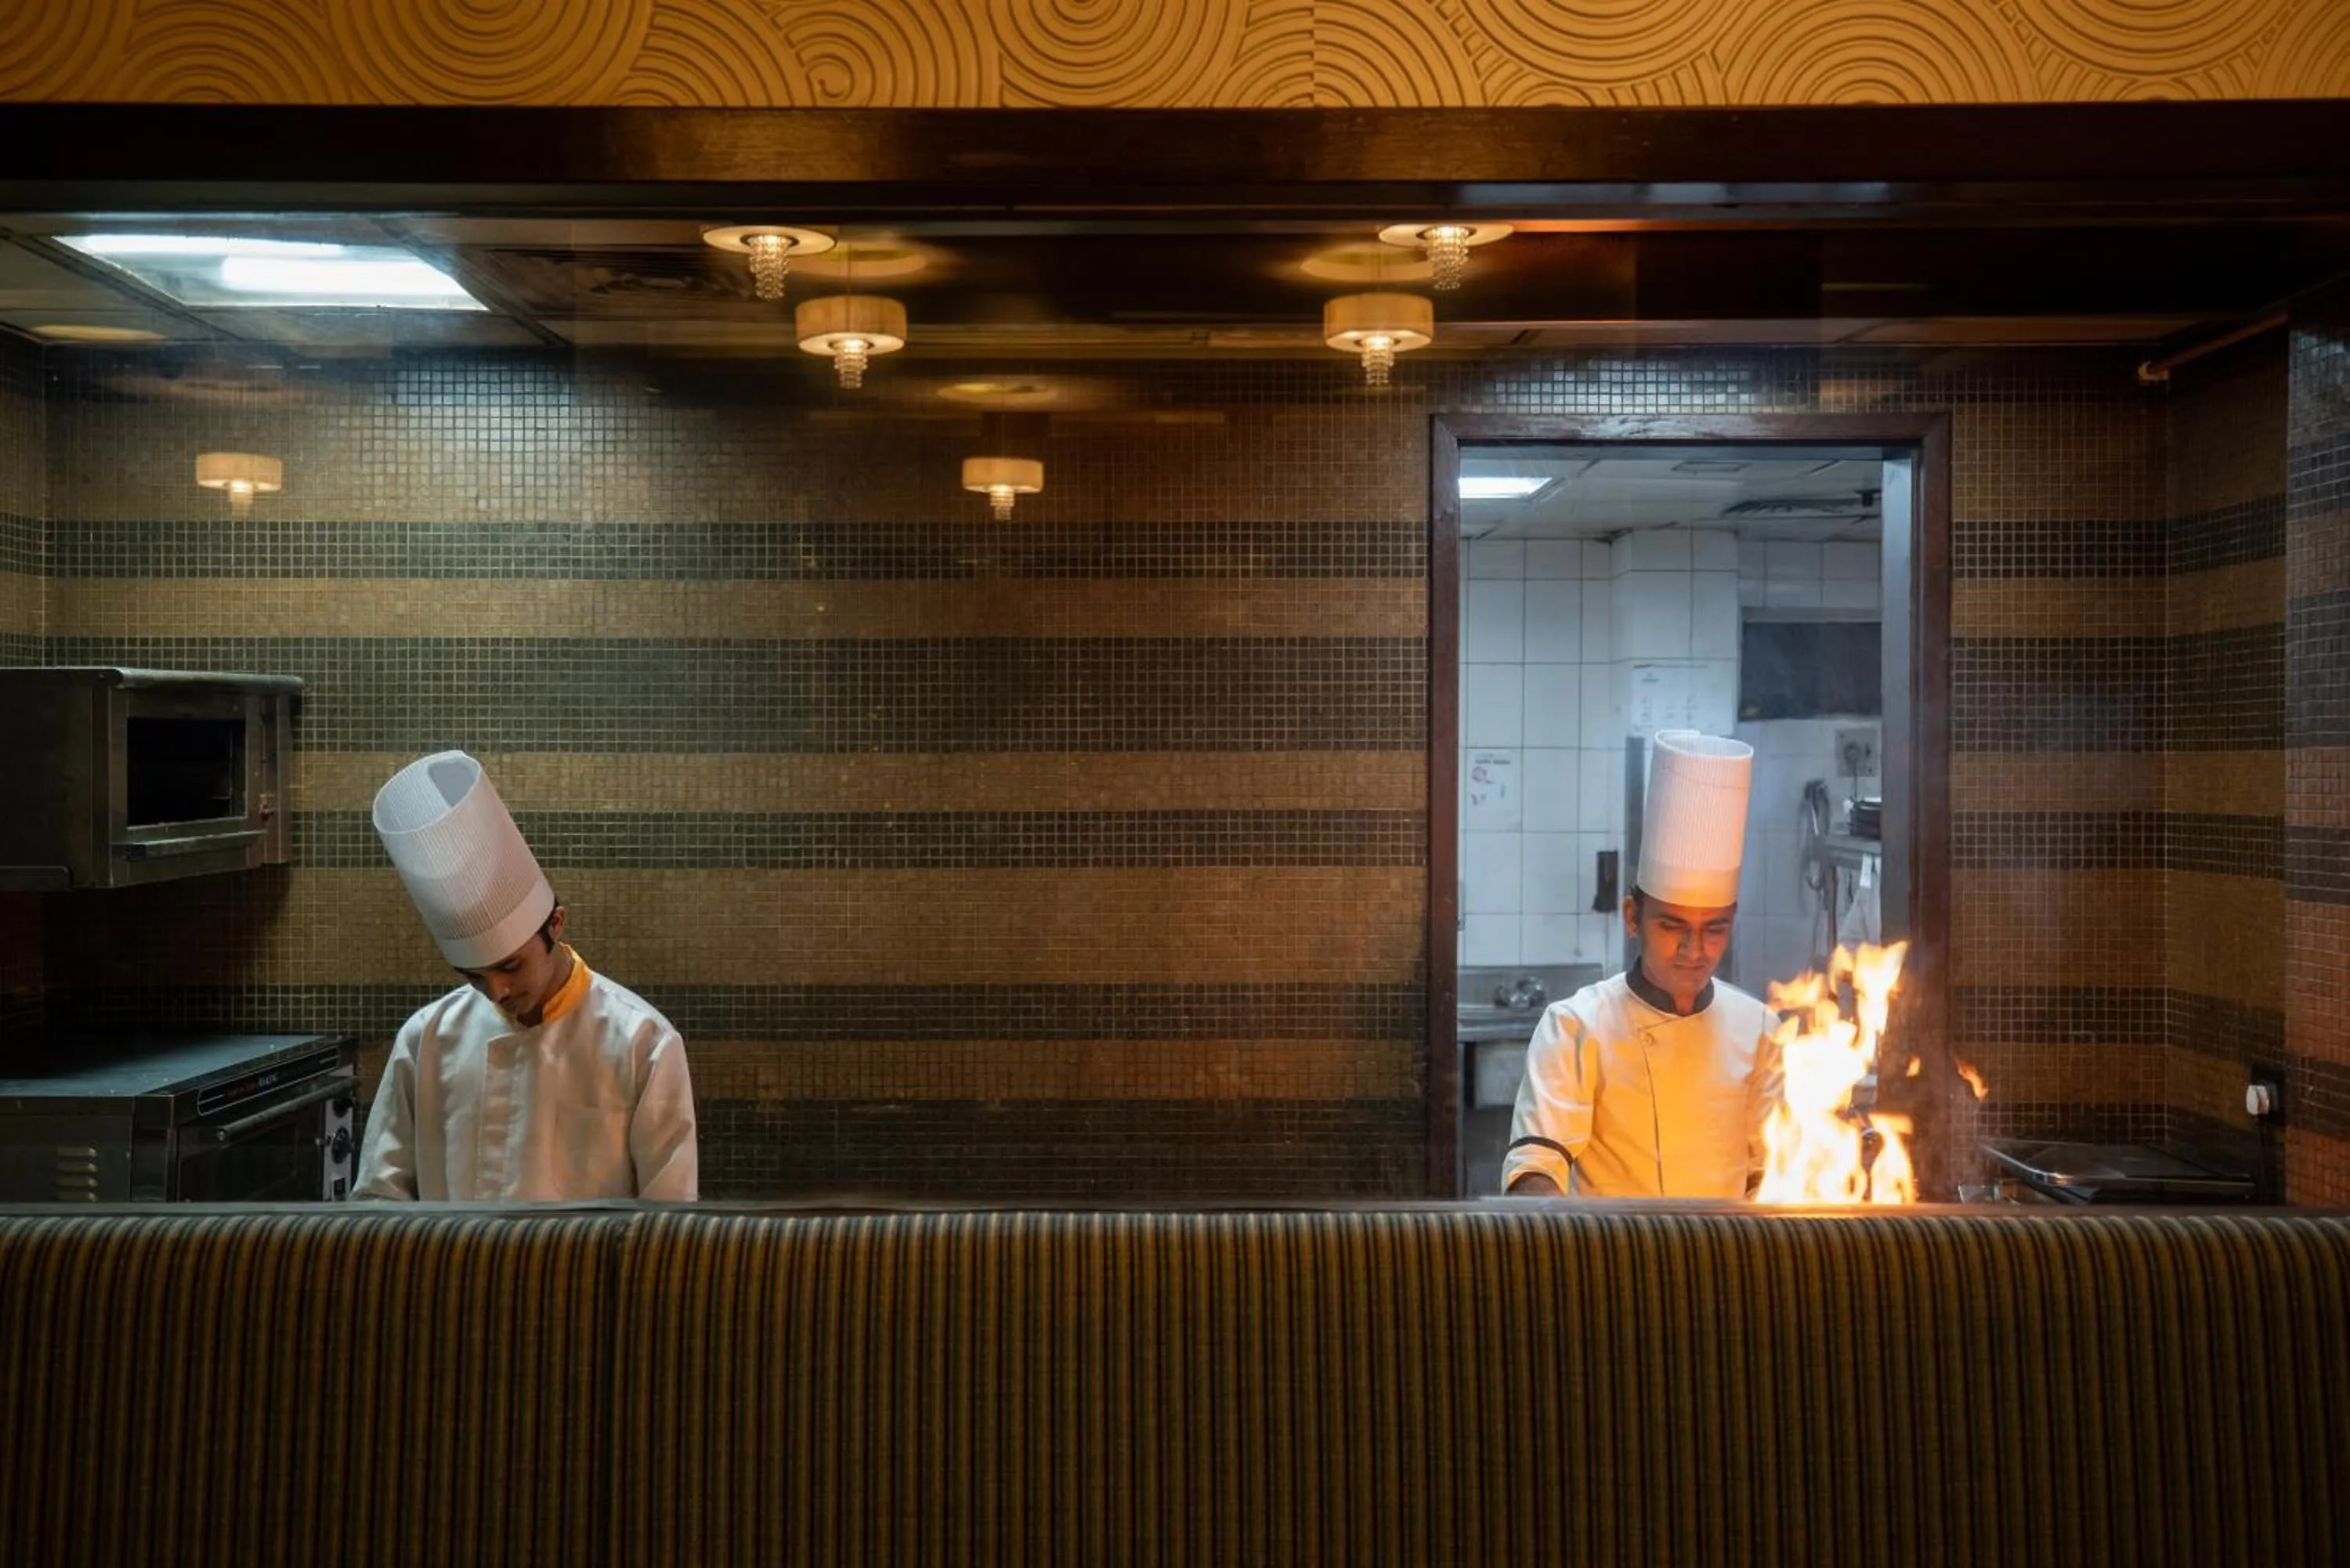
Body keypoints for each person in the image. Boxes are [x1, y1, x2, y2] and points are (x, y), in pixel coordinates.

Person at [354, 750, 698, 1200]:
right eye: (473, 976)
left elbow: (668, 1219)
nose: (496, 991)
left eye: (510, 966)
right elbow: (381, 1200)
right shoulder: (427, 1040)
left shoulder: (643, 1042)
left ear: (555, 924)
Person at [1501, 730, 1781, 1199]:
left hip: (1731, 1263)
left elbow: (1773, 1173)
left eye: (1714, 929)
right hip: (1612, 1263)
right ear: (1634, 917)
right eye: (1673, 926)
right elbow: (1536, 1166)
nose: (1695, 950)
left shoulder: (1759, 1029)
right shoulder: (1576, 1025)